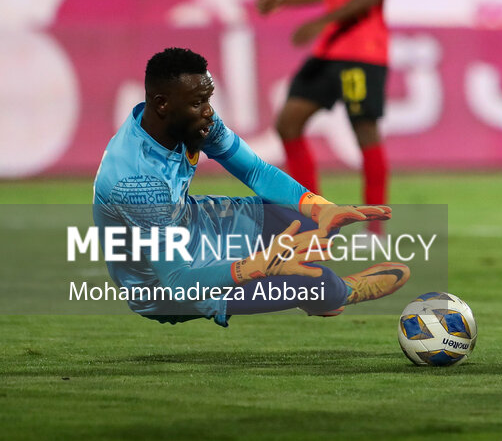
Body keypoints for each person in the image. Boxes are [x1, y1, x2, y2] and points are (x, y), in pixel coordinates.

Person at [92, 47, 409, 325]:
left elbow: (256, 171)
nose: (209, 112)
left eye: (208, 99)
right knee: (319, 283)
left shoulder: (190, 123)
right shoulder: (137, 183)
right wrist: (256, 266)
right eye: (198, 103)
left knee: (316, 224)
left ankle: (309, 289)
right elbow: (177, 280)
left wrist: (324, 208)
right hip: (163, 285)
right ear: (162, 104)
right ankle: (338, 293)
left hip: (193, 223)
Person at [257, 0, 395, 231]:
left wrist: (322, 22)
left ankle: (375, 231)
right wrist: (284, 0)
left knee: (364, 129)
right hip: (331, 47)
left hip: (362, 50)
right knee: (289, 122)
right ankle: (314, 219)